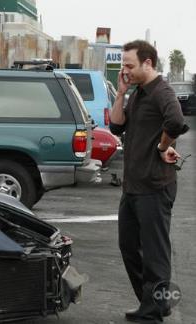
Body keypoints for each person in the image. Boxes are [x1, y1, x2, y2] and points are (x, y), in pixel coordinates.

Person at [110, 40, 188, 323]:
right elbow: (116, 126)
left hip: (154, 187)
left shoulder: (162, 91)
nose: (125, 70)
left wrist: (161, 146)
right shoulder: (138, 92)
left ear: (148, 63)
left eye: (129, 65)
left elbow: (176, 121)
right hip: (132, 187)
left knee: (155, 254)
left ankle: (153, 310)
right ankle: (155, 302)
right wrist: (121, 93)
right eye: (123, 65)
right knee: (128, 246)